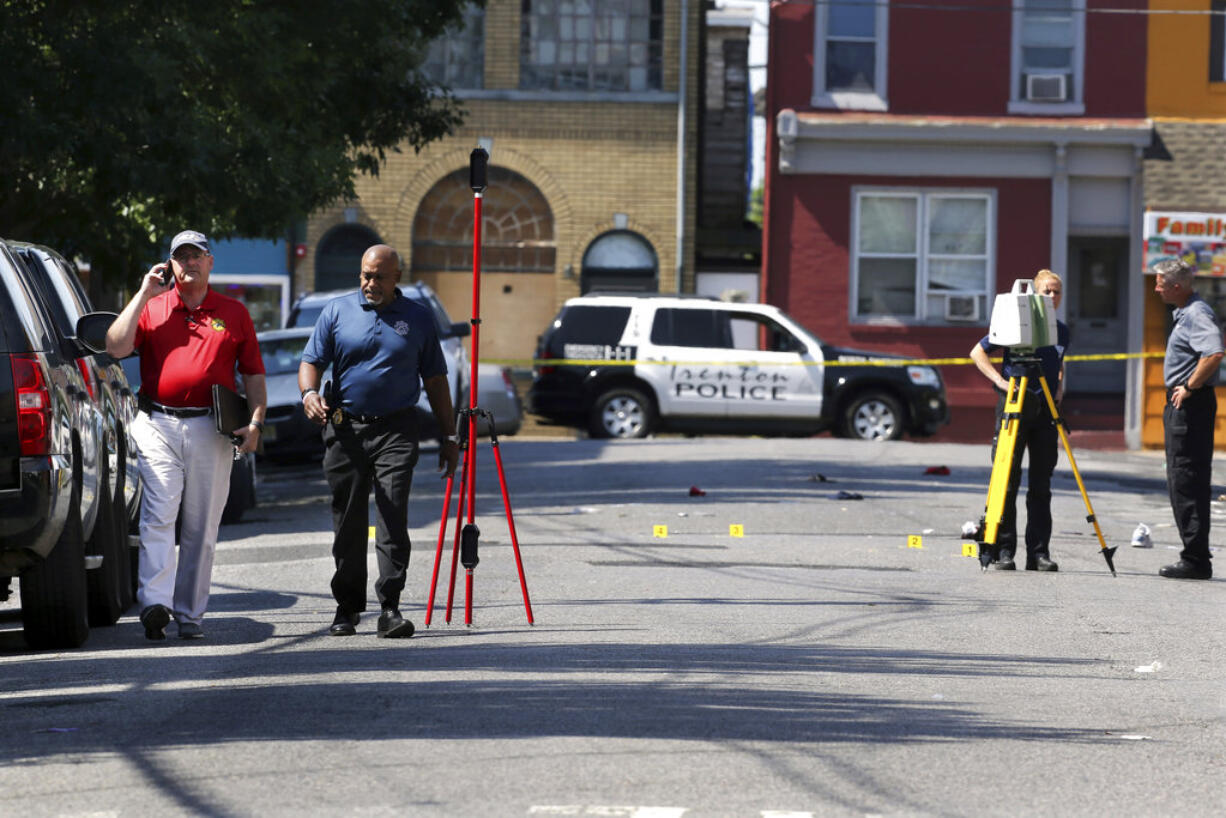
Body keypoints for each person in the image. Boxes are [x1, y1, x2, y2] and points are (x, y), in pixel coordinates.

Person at [106, 230, 267, 639]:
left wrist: (256, 423)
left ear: (210, 262)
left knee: (201, 525)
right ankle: (155, 603)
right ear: (170, 264)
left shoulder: (233, 312)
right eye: (181, 257)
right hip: (157, 422)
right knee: (158, 513)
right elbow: (116, 348)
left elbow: (252, 373)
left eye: (196, 256)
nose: (188, 264)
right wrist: (142, 294)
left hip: (211, 428)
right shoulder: (154, 307)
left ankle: (190, 614)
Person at [298, 244, 459, 637]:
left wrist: (449, 435)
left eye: (379, 277)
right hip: (345, 427)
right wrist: (309, 394)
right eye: (365, 275)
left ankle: (390, 608)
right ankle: (347, 607)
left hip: (397, 430)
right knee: (348, 520)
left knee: (392, 513)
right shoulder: (337, 311)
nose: (370, 283)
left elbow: (436, 381)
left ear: (396, 278)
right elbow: (311, 362)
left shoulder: (418, 319)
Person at [970, 269, 1069, 572]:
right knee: (1007, 482)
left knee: (1041, 485)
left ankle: (1038, 553)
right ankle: (1003, 550)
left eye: (1056, 292)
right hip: (1014, 403)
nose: (1052, 297)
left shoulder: (1061, 330)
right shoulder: (1016, 323)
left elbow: (1059, 364)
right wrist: (1001, 382)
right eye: (1047, 292)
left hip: (1046, 409)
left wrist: (1059, 391)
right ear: (1034, 295)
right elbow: (977, 352)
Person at [1153, 257, 1223, 580]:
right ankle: (1194, 554)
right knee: (1180, 478)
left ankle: (1195, 559)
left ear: (1176, 286)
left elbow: (1214, 353)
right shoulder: (1184, 313)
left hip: (1190, 405)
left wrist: (1190, 388)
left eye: (1160, 283)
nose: (1156, 288)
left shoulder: (1196, 313)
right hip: (1182, 403)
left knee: (1187, 478)